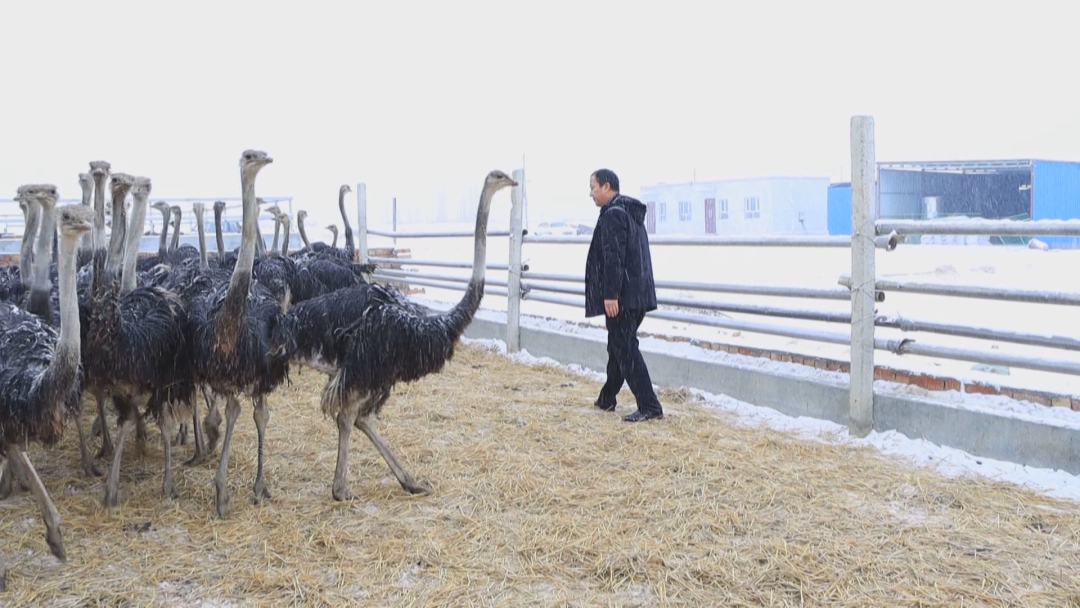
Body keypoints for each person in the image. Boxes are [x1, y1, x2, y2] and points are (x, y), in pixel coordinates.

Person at [584, 168, 664, 422]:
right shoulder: (629, 213)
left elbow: (613, 258)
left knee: (625, 348)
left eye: (593, 187)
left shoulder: (614, 215)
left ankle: (650, 406)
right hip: (635, 293)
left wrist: (610, 295)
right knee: (617, 346)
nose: (591, 193)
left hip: (623, 296)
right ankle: (607, 398)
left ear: (607, 186)